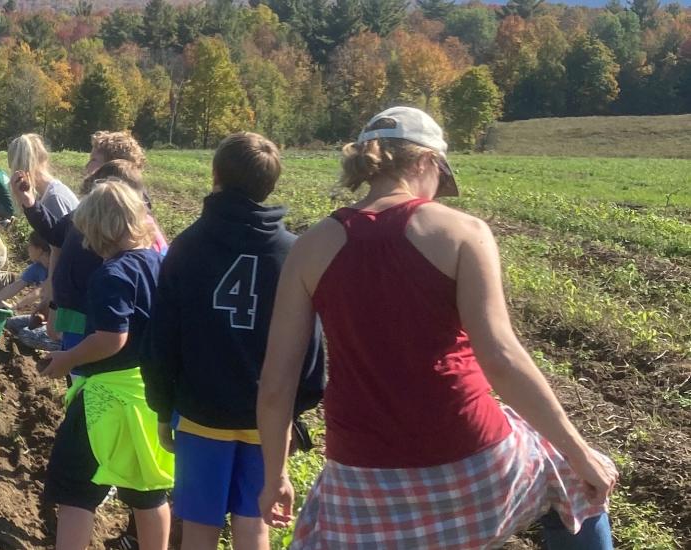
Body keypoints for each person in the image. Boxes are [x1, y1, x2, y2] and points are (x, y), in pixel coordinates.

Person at [256, 107, 616, 548]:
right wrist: (581, 456)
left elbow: (276, 384)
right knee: (576, 483)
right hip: (474, 462)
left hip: (362, 477)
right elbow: (500, 359)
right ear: (426, 162)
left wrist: (274, 476)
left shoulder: (309, 247)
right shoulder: (463, 233)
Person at [145, 133, 325, 550]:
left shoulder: (188, 247)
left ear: (215, 176)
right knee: (254, 523)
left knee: (199, 528)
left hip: (200, 413)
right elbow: (312, 348)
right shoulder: (292, 253)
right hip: (268, 420)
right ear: (271, 184)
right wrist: (294, 411)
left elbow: (162, 339)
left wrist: (161, 405)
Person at [40, 180, 175, 550]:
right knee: (147, 490)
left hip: (107, 400)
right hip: (148, 397)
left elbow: (111, 338)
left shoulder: (111, 275)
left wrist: (66, 358)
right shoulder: (159, 262)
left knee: (74, 490)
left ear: (96, 229)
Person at [19, 160, 152, 353]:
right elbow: (56, 233)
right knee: (74, 365)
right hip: (69, 311)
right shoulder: (85, 215)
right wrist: (31, 205)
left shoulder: (116, 258)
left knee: (80, 363)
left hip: (88, 319)